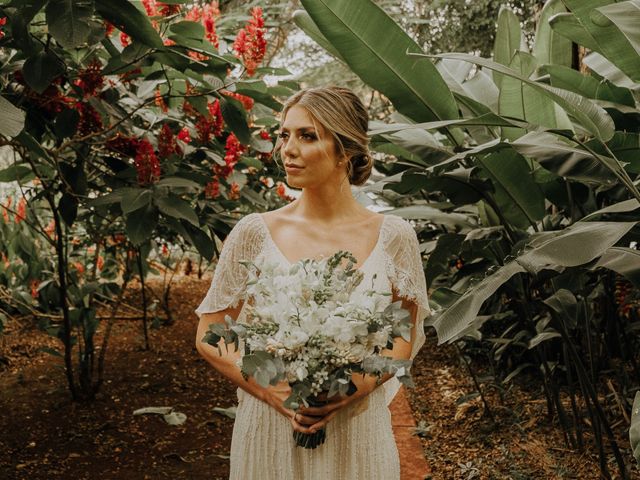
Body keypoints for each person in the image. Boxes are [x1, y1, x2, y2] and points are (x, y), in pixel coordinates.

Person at [195, 86, 430, 479]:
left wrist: (355, 386)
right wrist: (272, 389)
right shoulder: (253, 232)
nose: (287, 148)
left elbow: (405, 336)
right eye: (285, 134)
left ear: (346, 151)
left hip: (357, 435)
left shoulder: (395, 236)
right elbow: (209, 332)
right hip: (270, 432)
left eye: (307, 136)